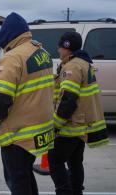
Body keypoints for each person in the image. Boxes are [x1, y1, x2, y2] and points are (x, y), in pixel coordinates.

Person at [0, 12, 54, 195]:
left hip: (18, 135)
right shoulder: (41, 52)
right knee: (25, 176)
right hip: (39, 130)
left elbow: (0, 99)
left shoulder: (13, 57)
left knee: (18, 182)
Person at [48, 31, 109, 195]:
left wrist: (55, 124)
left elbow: (68, 100)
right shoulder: (84, 63)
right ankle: (76, 191)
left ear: (66, 47)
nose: (58, 49)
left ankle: (65, 192)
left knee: (55, 161)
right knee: (75, 163)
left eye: (60, 46)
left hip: (70, 126)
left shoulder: (72, 66)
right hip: (81, 126)